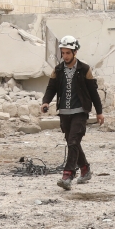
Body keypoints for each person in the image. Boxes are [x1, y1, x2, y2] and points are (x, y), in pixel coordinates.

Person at [42, 35, 105, 190]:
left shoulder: (84, 69)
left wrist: (99, 112)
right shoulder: (58, 70)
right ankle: (85, 168)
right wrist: (45, 102)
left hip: (80, 111)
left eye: (68, 53)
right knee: (73, 142)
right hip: (64, 112)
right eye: (63, 53)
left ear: (75, 52)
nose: (65, 56)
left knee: (73, 141)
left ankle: (68, 174)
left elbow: (93, 91)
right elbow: (51, 88)